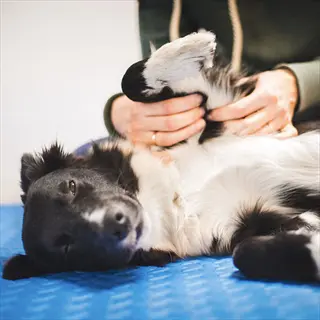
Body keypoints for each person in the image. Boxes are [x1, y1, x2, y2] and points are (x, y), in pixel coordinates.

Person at [104, 0, 320, 147]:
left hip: (306, 122)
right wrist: (122, 113)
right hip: (210, 138)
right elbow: (163, 70)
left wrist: (299, 83)